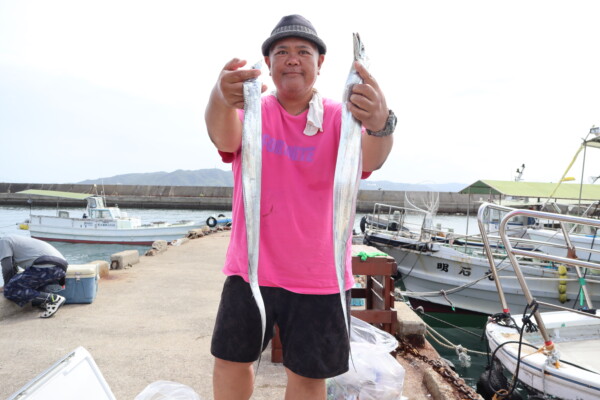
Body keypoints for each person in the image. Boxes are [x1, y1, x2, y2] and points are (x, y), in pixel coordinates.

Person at [205, 14, 395, 400]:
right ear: (269, 66)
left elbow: (372, 158)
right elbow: (221, 133)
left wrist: (380, 122)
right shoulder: (252, 112)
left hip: (320, 277)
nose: (292, 59)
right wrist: (219, 97)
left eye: (303, 51)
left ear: (320, 64)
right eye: (282, 52)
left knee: (309, 375)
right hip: (251, 269)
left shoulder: (343, 117)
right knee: (230, 360)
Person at [1, 235, 68, 318]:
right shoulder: (13, 240)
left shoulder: (3, 242)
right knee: (22, 282)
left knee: (10, 290)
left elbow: (7, 268)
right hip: (59, 268)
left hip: (46, 267)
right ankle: (44, 302)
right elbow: (13, 270)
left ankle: (53, 299)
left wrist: (7, 286)